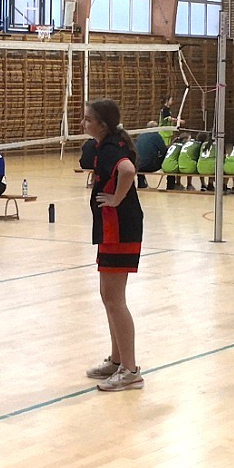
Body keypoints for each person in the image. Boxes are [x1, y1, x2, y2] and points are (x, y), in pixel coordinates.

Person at [81, 100, 145, 392]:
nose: (83, 123)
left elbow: (128, 171)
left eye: (88, 119)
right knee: (109, 296)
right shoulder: (108, 144)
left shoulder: (109, 148)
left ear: (102, 124)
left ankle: (130, 371)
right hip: (113, 229)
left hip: (119, 228)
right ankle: (118, 360)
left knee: (115, 300)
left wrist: (116, 199)